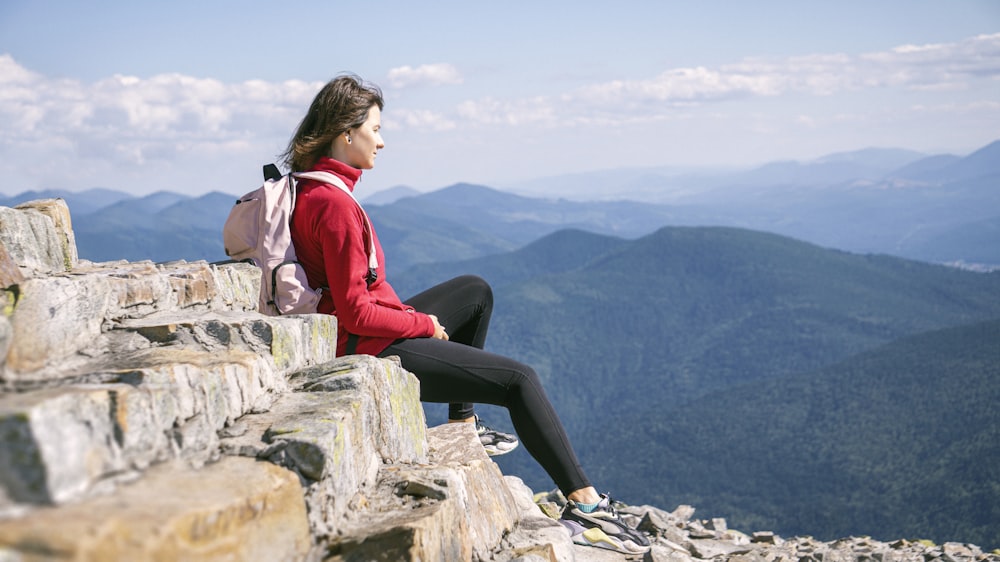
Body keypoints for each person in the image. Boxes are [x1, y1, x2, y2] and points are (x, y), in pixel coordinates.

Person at [283, 73, 650, 555]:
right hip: (367, 346)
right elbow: (354, 312)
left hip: (363, 329)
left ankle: (463, 424)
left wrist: (412, 317)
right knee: (520, 380)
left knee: (475, 291)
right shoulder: (334, 204)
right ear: (346, 133)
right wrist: (422, 324)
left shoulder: (311, 187)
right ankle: (584, 501)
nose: (383, 140)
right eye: (375, 128)